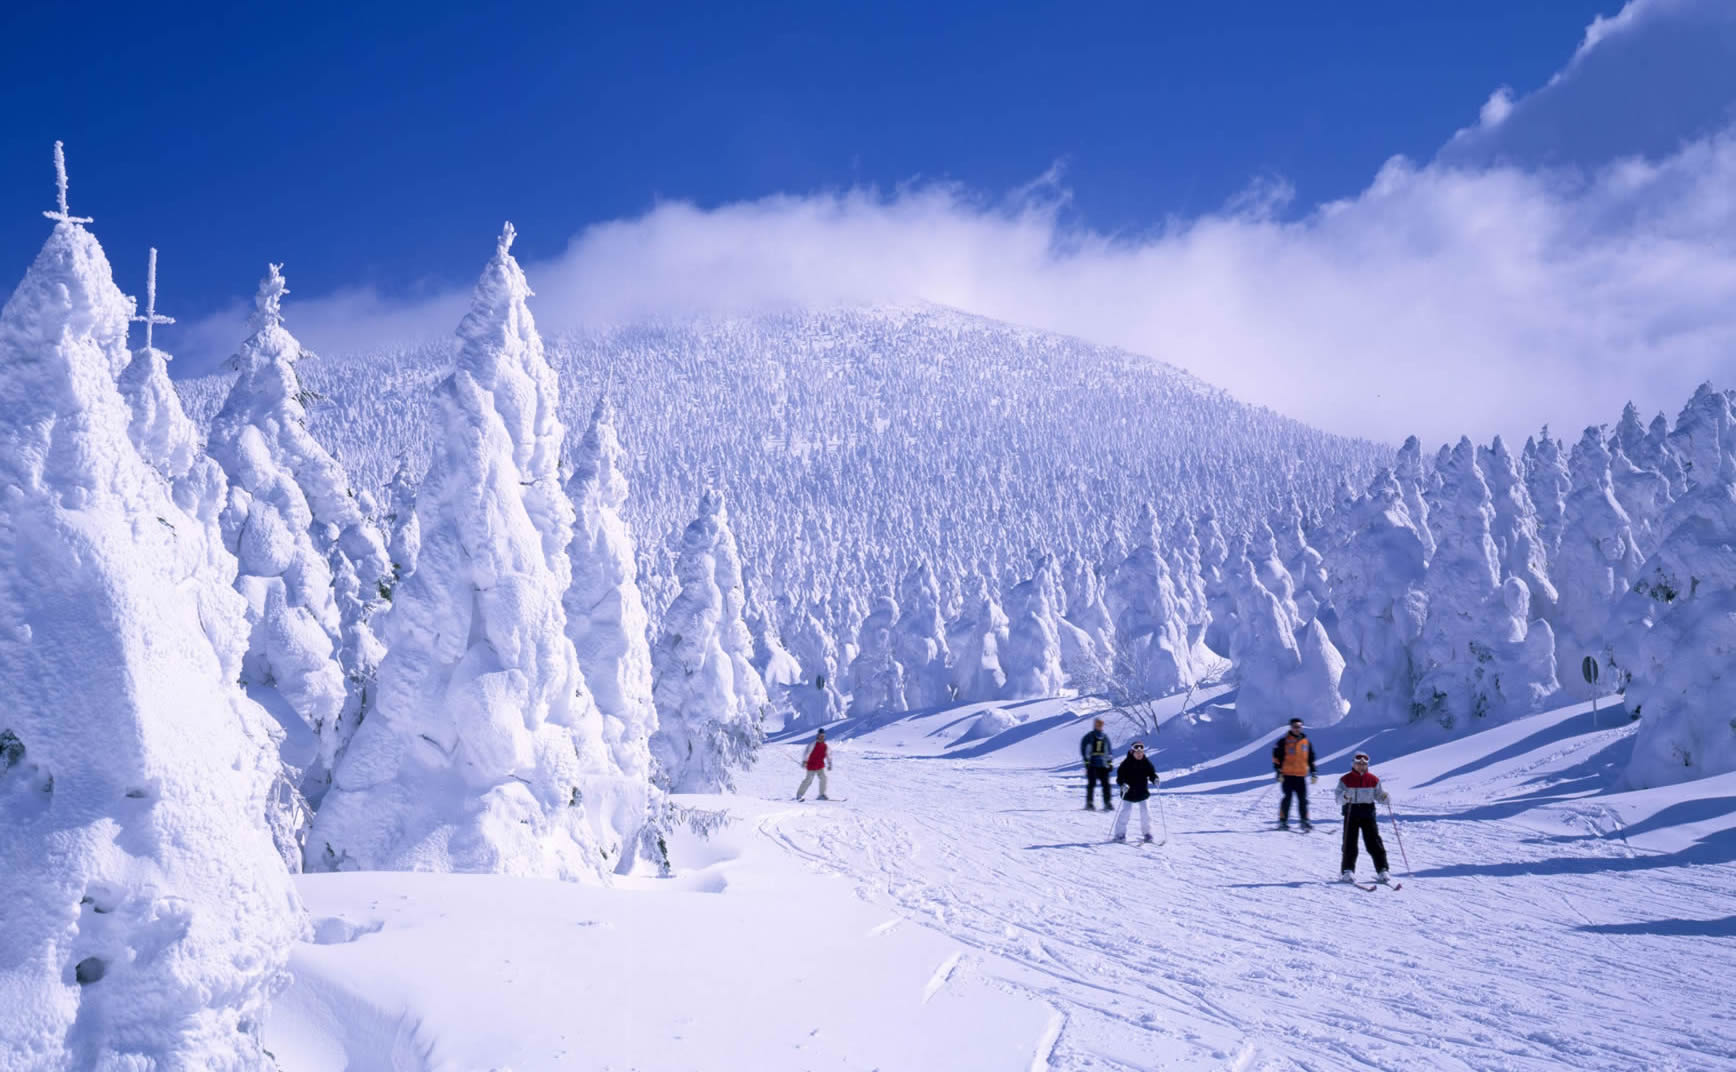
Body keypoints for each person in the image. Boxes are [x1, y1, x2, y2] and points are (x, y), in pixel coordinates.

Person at [1335, 751, 1392, 883]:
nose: (1361, 766)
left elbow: (1378, 795)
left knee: (1374, 842)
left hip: (1368, 812)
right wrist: (1344, 797)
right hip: (1351, 812)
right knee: (1350, 842)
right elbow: (1337, 799)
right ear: (1353, 764)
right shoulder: (1345, 779)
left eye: (1364, 764)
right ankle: (1347, 871)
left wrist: (1384, 798)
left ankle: (1382, 870)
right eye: (1358, 763)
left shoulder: (1373, 779)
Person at [1270, 717, 1318, 831]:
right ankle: (1283, 822)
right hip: (1287, 776)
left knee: (1303, 799)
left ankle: (1304, 821)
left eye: (1299, 727)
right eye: (1295, 726)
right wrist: (1278, 771)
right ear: (1291, 727)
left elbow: (1311, 758)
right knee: (1288, 798)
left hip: (1301, 776)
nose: (1297, 729)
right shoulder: (1283, 742)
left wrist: (1313, 772)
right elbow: (1276, 757)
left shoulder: (1306, 742)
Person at [1111, 742, 1159, 842]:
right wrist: (1123, 784)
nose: (1139, 754)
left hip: (1142, 792)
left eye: (1141, 752)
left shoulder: (1146, 762)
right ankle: (1119, 834)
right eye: (1137, 752)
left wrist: (1155, 779)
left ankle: (1147, 833)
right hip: (1128, 793)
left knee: (1146, 813)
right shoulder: (1125, 764)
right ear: (1132, 752)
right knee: (1126, 812)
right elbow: (1120, 778)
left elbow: (1151, 773)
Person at [1080, 718, 1114, 810]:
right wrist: (1087, 762)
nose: (1099, 726)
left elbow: (1109, 751)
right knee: (1091, 784)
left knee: (1106, 784)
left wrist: (1110, 763)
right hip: (1092, 764)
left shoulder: (1105, 737)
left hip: (1103, 765)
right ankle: (1089, 803)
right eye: (1098, 724)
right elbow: (1085, 750)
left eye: (1101, 724)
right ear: (1094, 725)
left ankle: (1108, 803)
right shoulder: (1089, 736)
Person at [795, 729, 832, 801]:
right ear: (817, 735)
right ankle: (799, 795)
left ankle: (822, 794)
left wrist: (829, 763)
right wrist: (805, 761)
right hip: (811, 765)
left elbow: (828, 755)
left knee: (824, 778)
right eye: (820, 735)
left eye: (823, 736)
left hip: (820, 766)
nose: (821, 737)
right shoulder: (813, 744)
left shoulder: (825, 746)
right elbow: (807, 753)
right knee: (809, 780)